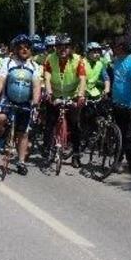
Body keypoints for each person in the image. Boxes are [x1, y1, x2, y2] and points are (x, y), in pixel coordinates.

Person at [0, 35, 42, 175]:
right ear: (16, 49)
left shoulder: (34, 66)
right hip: (7, 99)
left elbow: (36, 87)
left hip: (25, 102)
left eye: (27, 47)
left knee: (23, 133)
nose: (24, 50)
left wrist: (35, 104)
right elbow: (1, 79)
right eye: (21, 47)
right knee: (0, 118)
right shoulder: (7, 62)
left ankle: (21, 162)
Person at [43, 33, 87, 167]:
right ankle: (47, 151)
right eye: (60, 47)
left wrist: (80, 95)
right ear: (55, 48)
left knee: (75, 125)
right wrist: (49, 92)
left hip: (72, 95)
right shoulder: (50, 58)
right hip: (55, 94)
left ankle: (76, 155)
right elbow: (47, 76)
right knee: (49, 123)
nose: (63, 49)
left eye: (66, 47)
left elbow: (82, 78)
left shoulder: (78, 60)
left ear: (71, 48)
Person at [109, 35, 131, 173]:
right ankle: (117, 161)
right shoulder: (117, 60)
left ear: (122, 47)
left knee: (129, 136)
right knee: (119, 135)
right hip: (118, 103)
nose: (113, 48)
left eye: (116, 46)